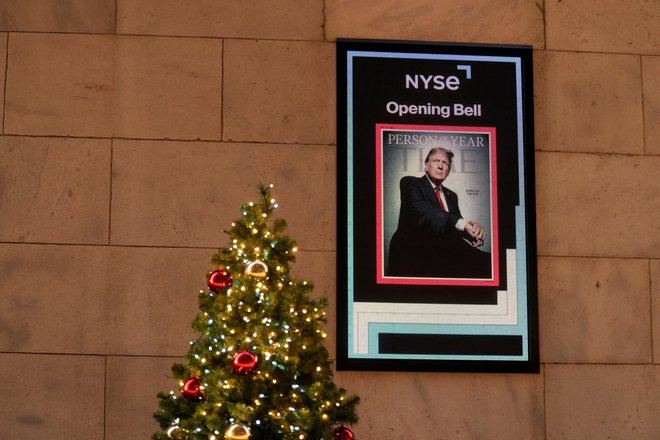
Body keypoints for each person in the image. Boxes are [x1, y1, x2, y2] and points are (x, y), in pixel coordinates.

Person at [387, 147, 492, 278]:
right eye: (436, 161)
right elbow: (427, 212)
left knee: (490, 264)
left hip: (444, 253)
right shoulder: (410, 183)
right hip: (413, 252)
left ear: (448, 171)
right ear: (426, 166)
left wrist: (472, 232)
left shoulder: (452, 196)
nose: (441, 166)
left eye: (445, 163)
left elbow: (455, 225)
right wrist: (463, 224)